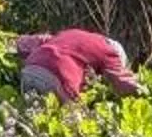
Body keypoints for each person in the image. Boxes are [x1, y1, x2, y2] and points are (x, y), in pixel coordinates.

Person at [14, 29, 142, 102]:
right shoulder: (111, 53)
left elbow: (25, 43)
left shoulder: (71, 34)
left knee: (32, 111)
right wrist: (141, 91)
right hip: (59, 77)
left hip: (30, 70)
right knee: (75, 121)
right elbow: (122, 82)